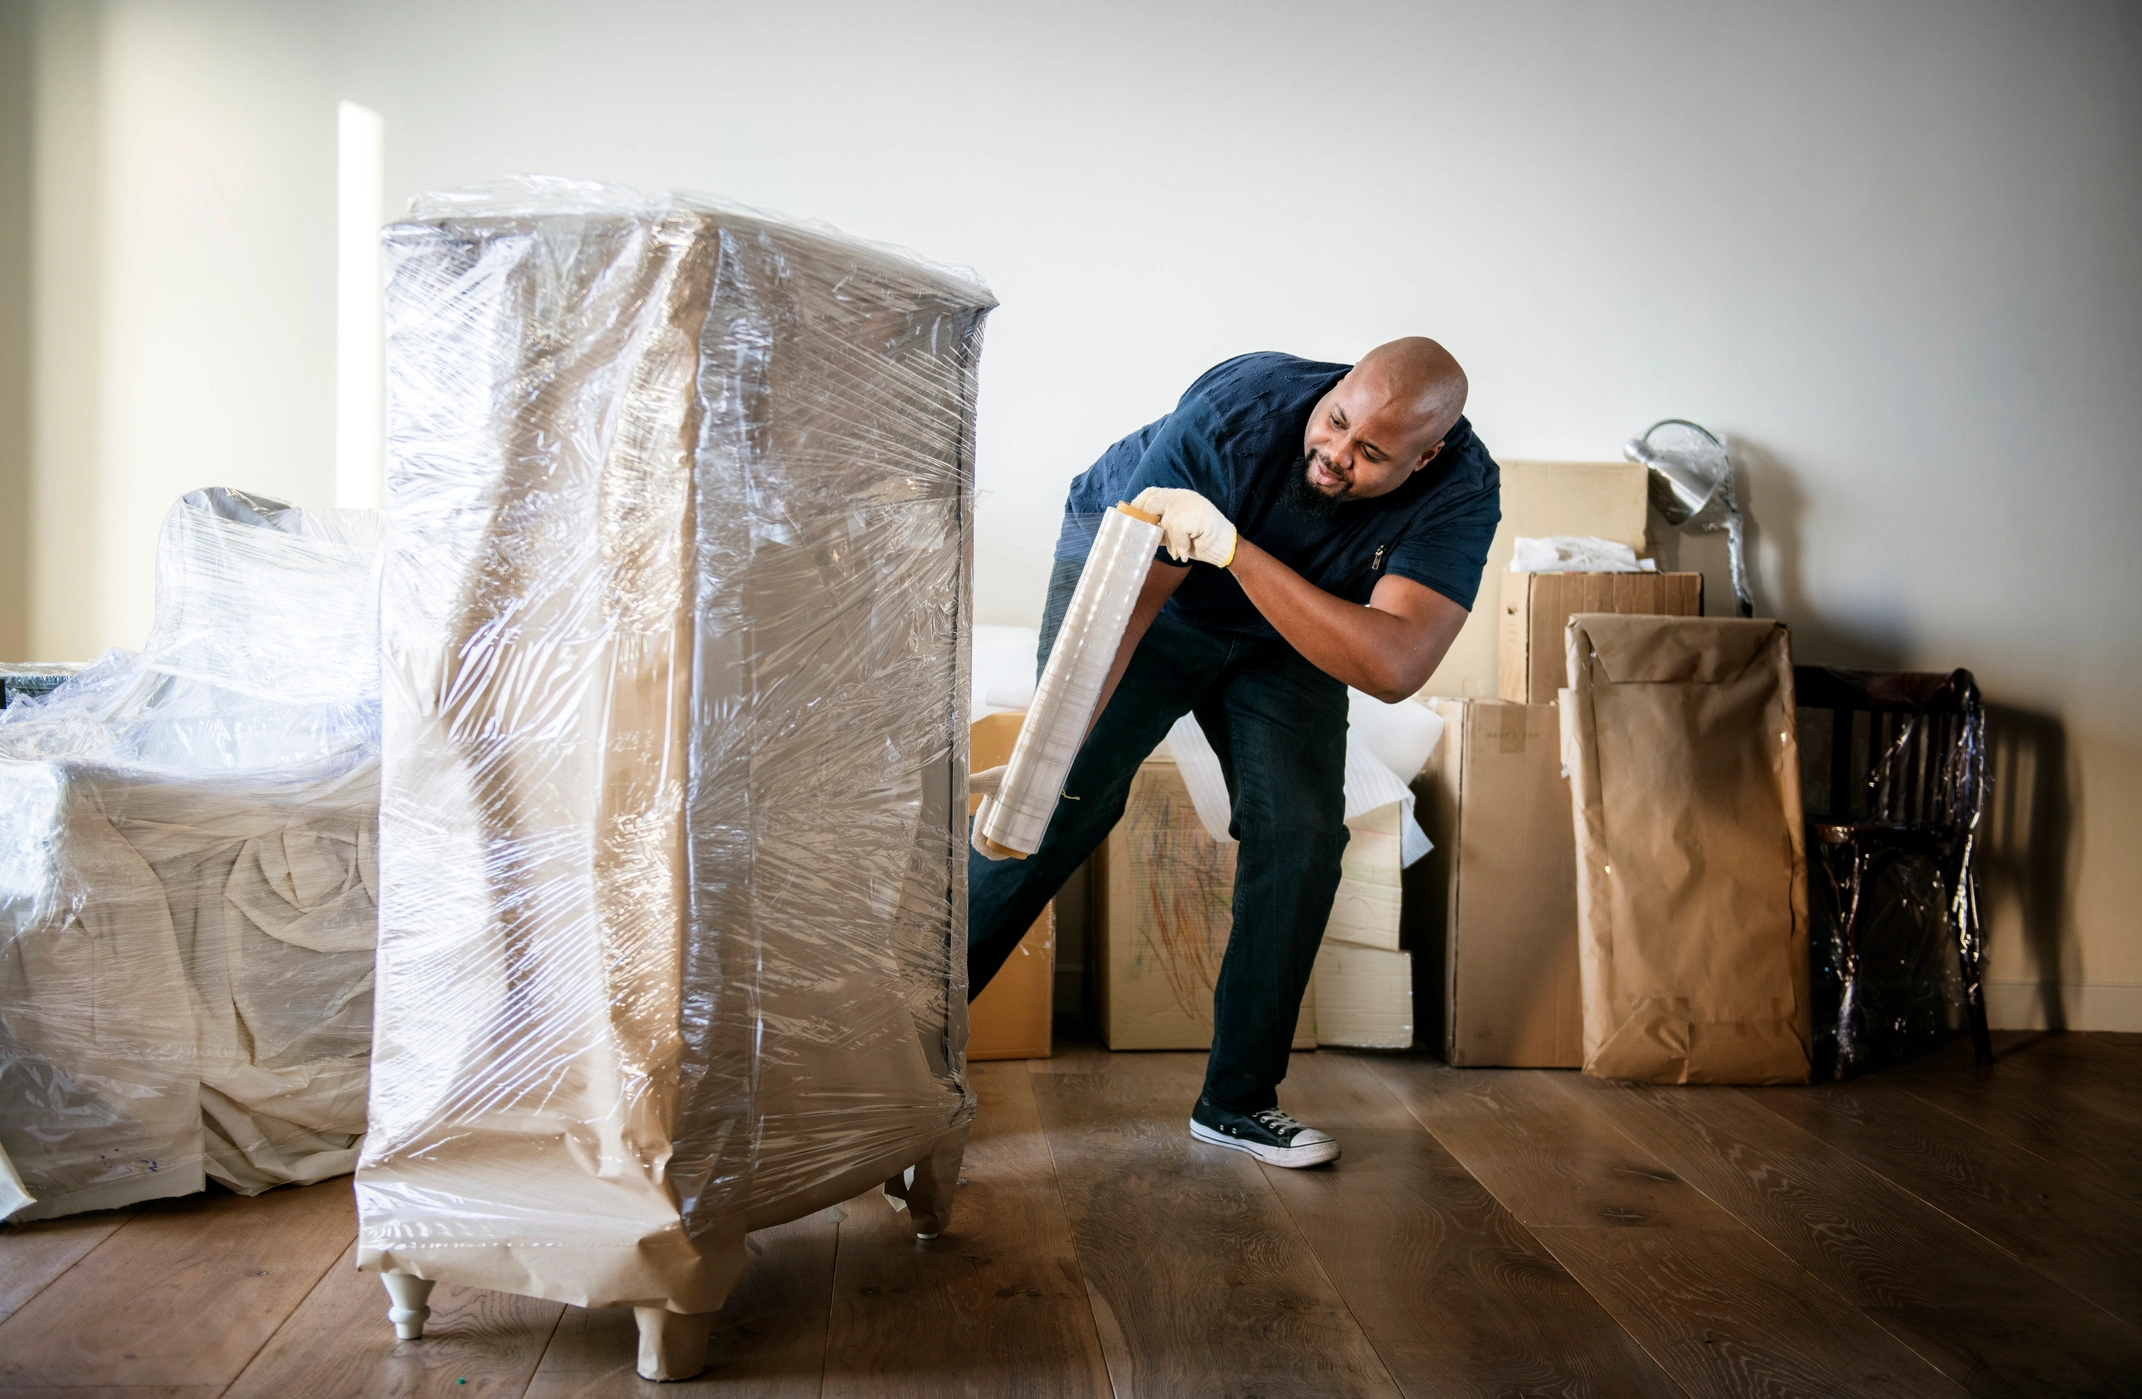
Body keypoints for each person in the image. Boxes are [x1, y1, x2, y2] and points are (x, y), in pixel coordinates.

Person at [968, 338, 1498, 1168]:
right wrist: (1052, 745)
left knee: (1304, 831)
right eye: (1334, 422)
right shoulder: (1237, 415)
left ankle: (1238, 1100)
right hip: (1143, 575)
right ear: (1336, 387)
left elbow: (1395, 664)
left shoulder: (1463, 490)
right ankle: (900, 1064)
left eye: (1370, 454)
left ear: (1426, 457)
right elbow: (1134, 603)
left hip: (1281, 614)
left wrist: (1237, 552)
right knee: (1060, 802)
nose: (1333, 454)